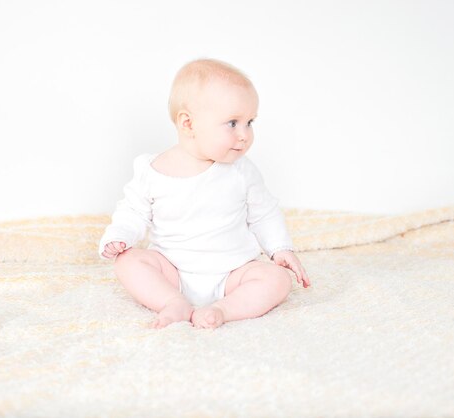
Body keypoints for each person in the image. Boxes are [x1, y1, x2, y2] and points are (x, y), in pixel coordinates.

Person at [100, 58, 310, 330]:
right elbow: (132, 211)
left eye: (250, 122)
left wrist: (279, 248)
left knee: (277, 279)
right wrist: (120, 237)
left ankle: (222, 309)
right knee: (127, 262)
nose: (245, 134)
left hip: (234, 274)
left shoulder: (241, 171)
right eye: (233, 123)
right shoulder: (152, 170)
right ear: (188, 124)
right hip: (172, 272)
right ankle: (171, 302)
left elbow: (264, 213)